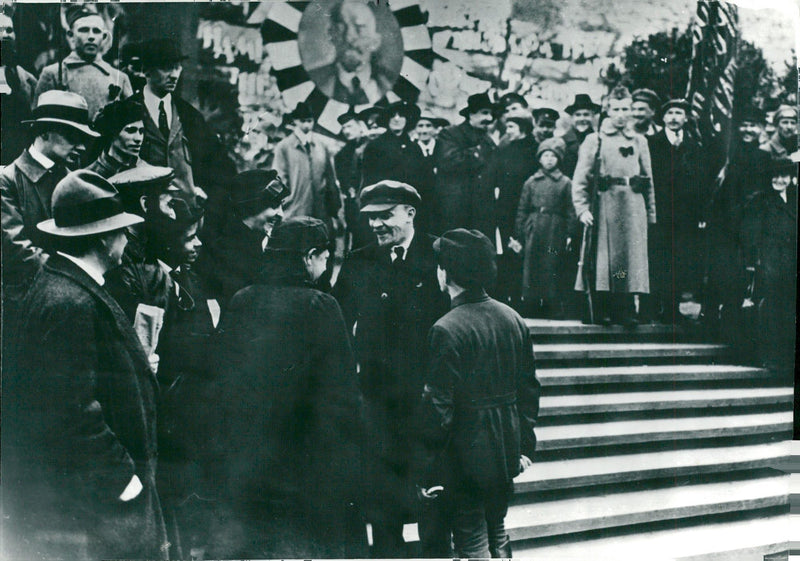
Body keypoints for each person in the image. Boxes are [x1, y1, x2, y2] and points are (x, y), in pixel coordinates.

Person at [2, 170, 167, 561]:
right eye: (120, 230)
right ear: (103, 238)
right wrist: (124, 481)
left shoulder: (62, 284)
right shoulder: (69, 302)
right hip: (99, 510)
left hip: (90, 504)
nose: (127, 238)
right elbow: (70, 411)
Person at [207, 216, 365, 558]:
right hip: (309, 463)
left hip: (254, 460)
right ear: (309, 257)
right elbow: (343, 394)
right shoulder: (321, 306)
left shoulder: (242, 300)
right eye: (325, 256)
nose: (327, 265)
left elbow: (224, 378)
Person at [333, 180, 449, 557]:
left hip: (427, 401)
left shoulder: (439, 254)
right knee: (383, 504)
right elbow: (339, 325)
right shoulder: (359, 260)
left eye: (386, 216)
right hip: (378, 403)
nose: (377, 225)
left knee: (433, 501)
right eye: (371, 218)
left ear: (410, 213)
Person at [416, 228, 540, 558]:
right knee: (496, 529)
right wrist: (524, 445)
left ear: (446, 272)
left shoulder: (447, 328)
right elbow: (529, 390)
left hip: (464, 458)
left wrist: (427, 468)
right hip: (504, 452)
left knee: (472, 538)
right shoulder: (513, 318)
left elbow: (437, 409)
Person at [1, 90, 99, 306]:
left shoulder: (71, 178)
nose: (82, 147)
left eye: (84, 139)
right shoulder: (7, 181)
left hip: (74, 293)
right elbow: (18, 251)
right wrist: (73, 277)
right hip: (26, 300)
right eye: (72, 137)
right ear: (44, 132)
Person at [572, 85, 656, 327]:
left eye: (625, 109)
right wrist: (582, 208)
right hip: (605, 204)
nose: (621, 114)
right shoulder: (594, 139)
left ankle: (625, 308)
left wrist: (651, 214)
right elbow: (580, 178)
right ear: (607, 110)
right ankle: (602, 307)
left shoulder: (640, 140)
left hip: (632, 206)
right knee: (605, 259)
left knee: (628, 260)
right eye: (616, 109)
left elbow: (648, 179)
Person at [134, 39, 236, 203]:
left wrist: (208, 196)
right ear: (146, 70)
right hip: (142, 213)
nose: (174, 75)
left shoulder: (190, 116)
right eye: (167, 68)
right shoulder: (124, 112)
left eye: (177, 67)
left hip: (185, 216)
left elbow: (218, 165)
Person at [703, 105, 771, 347]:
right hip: (724, 224)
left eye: (753, 125)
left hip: (749, 224)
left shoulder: (764, 158)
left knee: (742, 278)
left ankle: (734, 331)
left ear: (761, 129)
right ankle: (710, 323)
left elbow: (764, 193)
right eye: (744, 125)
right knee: (719, 273)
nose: (748, 130)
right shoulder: (728, 153)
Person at [643, 98, 707, 323]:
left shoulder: (694, 146)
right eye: (669, 113)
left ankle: (671, 309)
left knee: (679, 260)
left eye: (678, 113)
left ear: (686, 118)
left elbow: (700, 183)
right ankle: (650, 309)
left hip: (684, 216)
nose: (673, 118)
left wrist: (699, 215)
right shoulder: (651, 143)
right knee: (657, 258)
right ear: (662, 118)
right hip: (659, 213)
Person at [198, 169, 289, 308]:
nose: (281, 214)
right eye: (275, 205)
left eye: (282, 206)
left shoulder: (257, 242)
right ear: (252, 206)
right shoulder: (226, 253)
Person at [104, 164, 184, 320]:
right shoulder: (119, 258)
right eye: (169, 205)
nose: (173, 215)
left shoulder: (148, 246)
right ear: (145, 204)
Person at [475, 114, 538, 310]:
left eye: (511, 127)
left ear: (523, 129)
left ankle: (525, 299)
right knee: (508, 250)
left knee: (526, 251)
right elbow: (491, 177)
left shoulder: (534, 151)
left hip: (528, 207)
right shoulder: (504, 150)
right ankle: (506, 297)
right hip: (505, 208)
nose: (508, 131)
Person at [741, 158, 796, 377]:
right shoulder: (760, 201)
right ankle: (770, 357)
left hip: (790, 261)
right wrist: (754, 261)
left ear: (791, 178)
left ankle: (785, 357)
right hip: (770, 261)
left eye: (784, 175)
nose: (779, 180)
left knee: (787, 309)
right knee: (771, 309)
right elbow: (750, 234)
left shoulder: (793, 199)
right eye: (775, 175)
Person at [515, 137, 577, 319]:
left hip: (555, 228)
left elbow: (570, 210)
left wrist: (570, 233)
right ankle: (531, 305)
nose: (549, 159)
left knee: (552, 266)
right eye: (545, 155)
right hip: (534, 228)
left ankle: (553, 305)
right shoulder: (531, 182)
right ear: (539, 159)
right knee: (531, 266)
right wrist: (520, 231)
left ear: (559, 159)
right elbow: (522, 208)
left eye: (553, 156)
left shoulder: (565, 182)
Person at [35, 6, 132, 119]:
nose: (91, 37)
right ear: (70, 36)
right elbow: (40, 122)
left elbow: (132, 122)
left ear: (104, 37)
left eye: (96, 31)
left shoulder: (119, 77)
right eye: (84, 30)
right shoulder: (53, 74)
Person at [362, 100, 434, 233]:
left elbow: (425, 180)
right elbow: (369, 180)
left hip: (410, 207)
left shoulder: (414, 148)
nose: (397, 119)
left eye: (401, 115)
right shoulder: (375, 146)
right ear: (387, 120)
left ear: (407, 120)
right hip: (385, 206)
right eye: (393, 115)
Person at [307, 0, 395, 105]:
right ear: (330, 34)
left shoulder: (391, 83)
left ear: (375, 41)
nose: (349, 36)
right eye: (341, 27)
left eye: (359, 28)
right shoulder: (313, 81)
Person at [434, 92, 496, 233]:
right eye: (484, 113)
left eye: (491, 114)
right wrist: (478, 152)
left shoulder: (488, 140)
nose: (489, 118)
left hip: (481, 211)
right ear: (471, 114)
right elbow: (450, 162)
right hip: (456, 210)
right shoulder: (450, 134)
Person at [273, 102, 341, 231]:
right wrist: (284, 206)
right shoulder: (284, 147)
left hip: (321, 212)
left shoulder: (322, 146)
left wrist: (334, 208)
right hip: (295, 210)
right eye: (302, 121)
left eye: (309, 121)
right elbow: (280, 180)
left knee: (324, 247)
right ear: (295, 121)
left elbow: (330, 178)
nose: (306, 125)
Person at [1, 11, 38, 165]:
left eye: (9, 30)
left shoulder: (27, 80)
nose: (5, 35)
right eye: (0, 30)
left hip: (17, 161)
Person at [87, 96, 146, 177]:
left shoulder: (147, 171)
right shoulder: (90, 176)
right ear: (112, 133)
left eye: (141, 131)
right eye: (130, 131)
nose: (138, 139)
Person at [562, 93, 601, 178]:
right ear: (572, 117)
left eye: (586, 115)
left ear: (593, 116)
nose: (582, 119)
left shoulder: (599, 140)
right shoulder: (563, 141)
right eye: (578, 115)